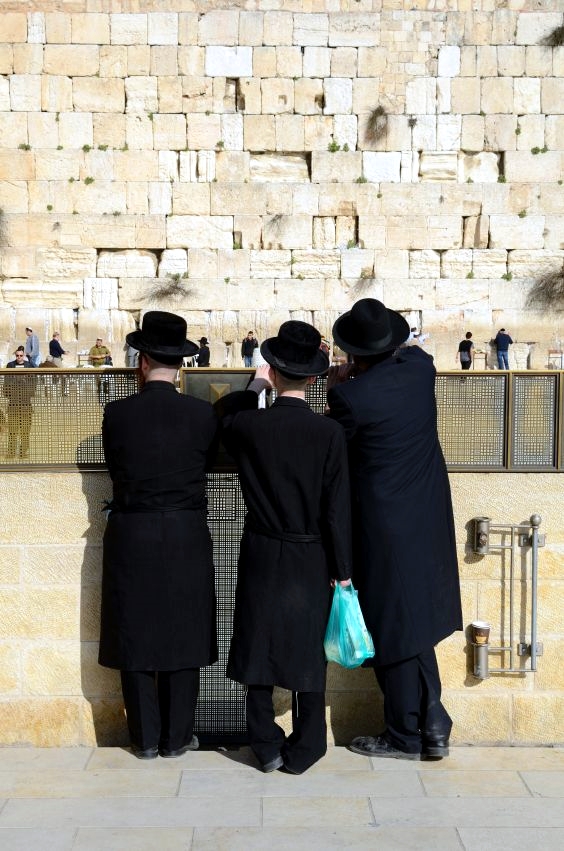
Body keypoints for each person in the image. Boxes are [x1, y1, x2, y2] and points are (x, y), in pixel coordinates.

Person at [326, 298, 462, 762]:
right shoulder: (421, 370)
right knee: (415, 617)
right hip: (426, 513)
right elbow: (413, 354)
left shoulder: (349, 397)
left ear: (352, 356)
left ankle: (405, 734)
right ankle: (433, 719)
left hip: (383, 524)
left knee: (393, 626)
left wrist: (338, 385)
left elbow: (335, 444)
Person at [215, 321, 352, 775]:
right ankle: (307, 745)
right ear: (313, 378)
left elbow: (224, 414)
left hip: (260, 547)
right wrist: (343, 568)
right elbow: (336, 510)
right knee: (309, 648)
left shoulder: (250, 425)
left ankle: (265, 744)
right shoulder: (329, 434)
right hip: (311, 553)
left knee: (258, 641)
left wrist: (253, 384)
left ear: (272, 371)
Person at [98, 311, 219, 759]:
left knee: (135, 631)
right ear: (181, 364)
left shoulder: (117, 414)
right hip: (186, 530)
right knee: (184, 632)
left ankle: (145, 739)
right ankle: (176, 738)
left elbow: (116, 470)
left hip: (133, 532)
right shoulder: (203, 415)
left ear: (142, 361)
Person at [4, 348, 36, 458]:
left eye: (21, 356)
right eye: (17, 355)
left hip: (26, 405)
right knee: (13, 430)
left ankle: (23, 452)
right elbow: (6, 388)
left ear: (24, 356)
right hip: (13, 404)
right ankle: (11, 452)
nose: (18, 358)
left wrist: (23, 386)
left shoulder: (29, 366)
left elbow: (33, 387)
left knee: (25, 430)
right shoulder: (10, 366)